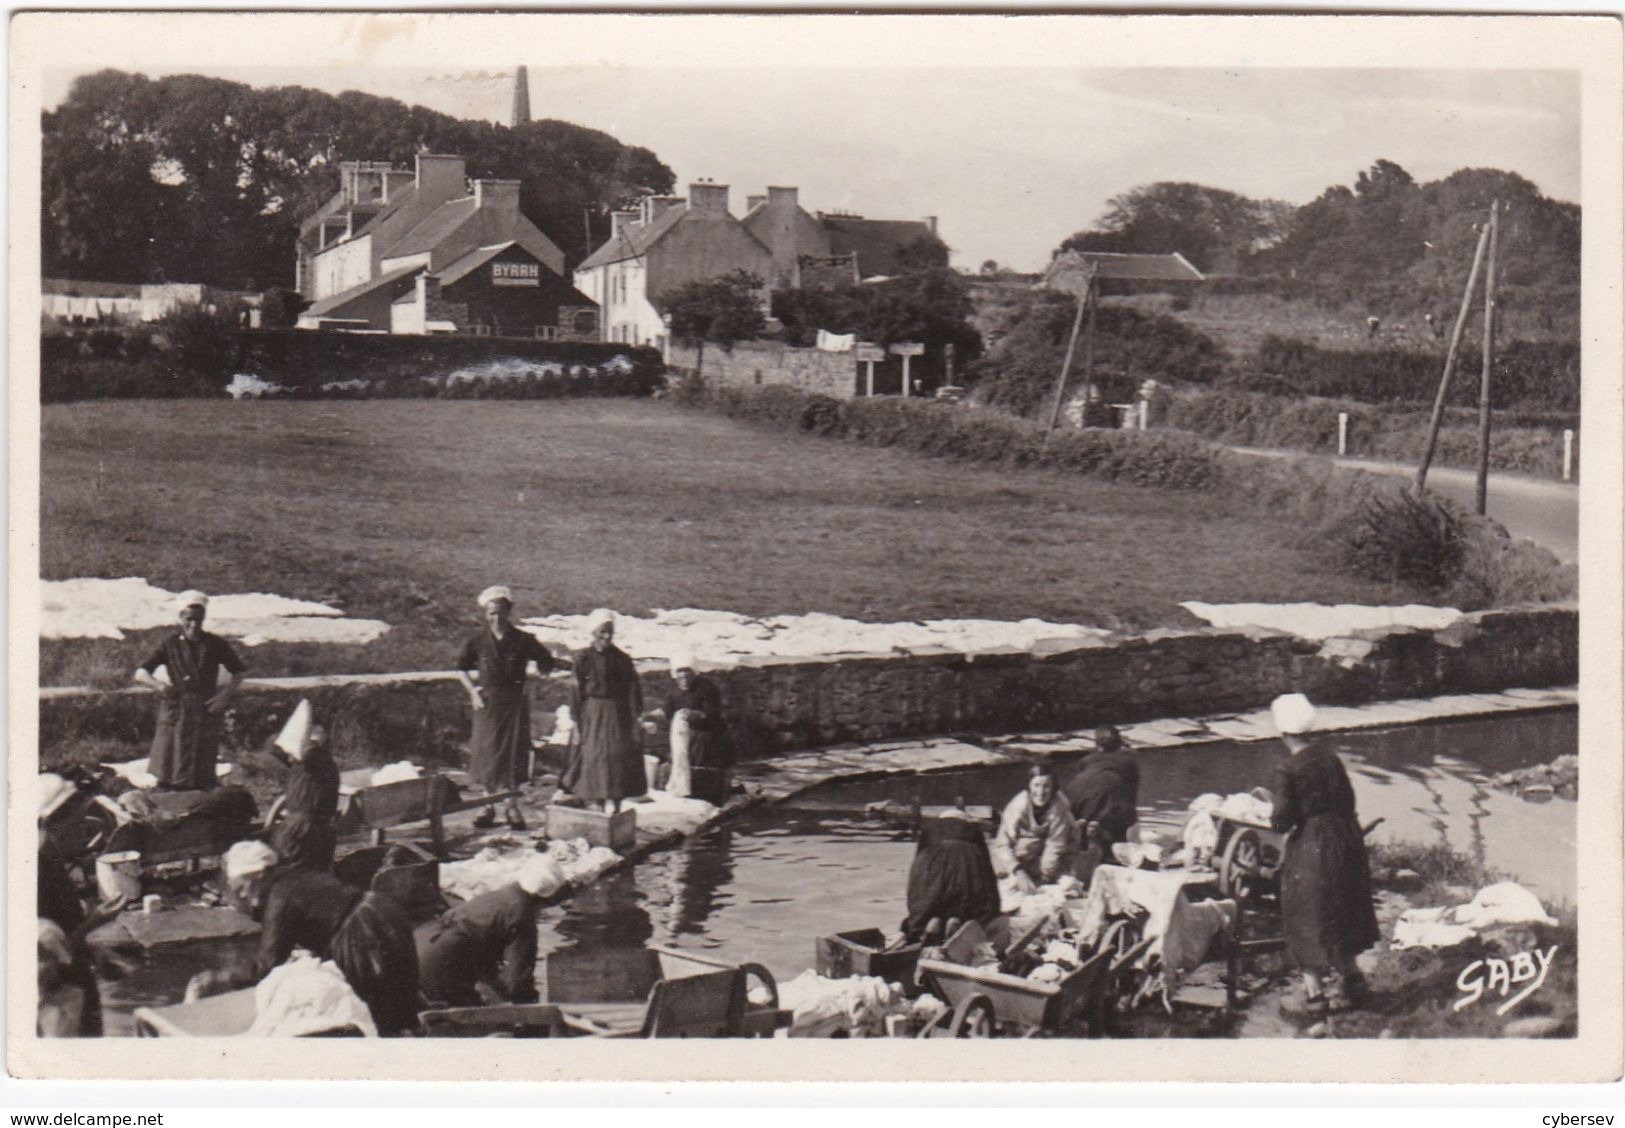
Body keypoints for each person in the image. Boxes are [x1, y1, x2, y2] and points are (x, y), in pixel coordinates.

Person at [200, 840, 422, 1036]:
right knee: (397, 997)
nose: (242, 895)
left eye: (243, 887)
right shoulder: (293, 874)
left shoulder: (279, 898)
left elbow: (267, 963)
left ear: (258, 874)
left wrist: (225, 977)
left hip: (362, 931)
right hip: (379, 910)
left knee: (373, 1005)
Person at [1267, 693, 1380, 1019]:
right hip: (1346, 838)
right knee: (1343, 906)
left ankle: (1315, 997)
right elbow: (1349, 800)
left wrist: (1278, 817)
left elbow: (1281, 820)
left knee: (1305, 912)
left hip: (1314, 844)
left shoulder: (1287, 768)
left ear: (1282, 732)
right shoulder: (1331, 759)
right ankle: (1353, 982)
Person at [456, 586, 558, 830]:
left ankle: (512, 806)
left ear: (509, 611)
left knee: (513, 754)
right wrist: (473, 692)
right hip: (488, 706)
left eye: (501, 612)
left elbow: (546, 662)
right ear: (485, 614)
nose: (496, 618)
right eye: (491, 613)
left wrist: (532, 678)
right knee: (488, 754)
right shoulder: (477, 642)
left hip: (514, 705)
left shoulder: (523, 640)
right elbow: (460, 669)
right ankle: (487, 806)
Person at [417, 855, 566, 1009]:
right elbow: (517, 981)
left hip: (420, 947)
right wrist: (534, 1012)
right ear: (548, 897)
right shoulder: (521, 915)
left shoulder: (497, 896)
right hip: (440, 963)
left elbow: (486, 963)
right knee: (483, 1024)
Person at [132, 590, 246, 791]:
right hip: (177, 709)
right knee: (170, 760)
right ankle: (169, 797)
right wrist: (160, 686)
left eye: (199, 620)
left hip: (205, 709)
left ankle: (198, 801)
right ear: (180, 618)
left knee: (201, 767)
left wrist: (223, 697)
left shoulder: (215, 644)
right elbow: (140, 673)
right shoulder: (170, 644)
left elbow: (238, 672)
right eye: (189, 619)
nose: (194, 625)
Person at [562, 609, 645, 814]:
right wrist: (576, 722)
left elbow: (633, 690)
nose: (606, 636)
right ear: (593, 632)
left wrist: (636, 719)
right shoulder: (582, 658)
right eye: (602, 631)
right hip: (592, 714)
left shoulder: (622, 659)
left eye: (610, 631)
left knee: (617, 757)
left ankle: (616, 808)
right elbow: (575, 691)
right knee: (594, 757)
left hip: (618, 714)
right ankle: (598, 807)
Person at [901, 805, 1000, 946]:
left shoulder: (929, 829)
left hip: (934, 868)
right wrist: (994, 905)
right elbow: (986, 866)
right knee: (969, 906)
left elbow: (919, 861)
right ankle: (958, 922)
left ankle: (928, 925)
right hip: (967, 868)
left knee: (929, 903)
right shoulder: (973, 830)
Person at [265, 703, 340, 872]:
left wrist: (309, 737)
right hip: (307, 826)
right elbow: (276, 749)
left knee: (294, 871)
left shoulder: (317, 758)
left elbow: (306, 752)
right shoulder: (302, 762)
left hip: (305, 829)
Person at [658, 651, 735, 803]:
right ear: (674, 674)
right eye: (680, 671)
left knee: (697, 744)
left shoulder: (706, 688)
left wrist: (696, 715)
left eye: (687, 671)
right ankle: (680, 786)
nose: (684, 676)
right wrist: (649, 717)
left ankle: (697, 789)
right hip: (683, 733)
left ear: (694, 672)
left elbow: (712, 715)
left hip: (707, 734)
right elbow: (667, 712)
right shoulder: (673, 692)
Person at [991, 764, 1081, 887]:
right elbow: (1002, 844)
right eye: (1036, 785)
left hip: (1056, 853)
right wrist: (1018, 870)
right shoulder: (1018, 806)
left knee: (1067, 885)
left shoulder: (1060, 805)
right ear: (1029, 785)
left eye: (1046, 786)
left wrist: (1045, 879)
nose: (1040, 792)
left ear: (1053, 787)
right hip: (1026, 853)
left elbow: (1056, 845)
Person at [1063, 725, 1140, 848]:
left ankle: (1084, 824)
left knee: (1087, 808)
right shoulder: (1129, 763)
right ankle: (1100, 828)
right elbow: (1131, 797)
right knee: (1119, 811)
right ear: (1119, 744)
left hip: (1075, 799)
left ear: (1097, 745)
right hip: (1109, 801)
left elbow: (1085, 784)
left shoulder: (1085, 760)